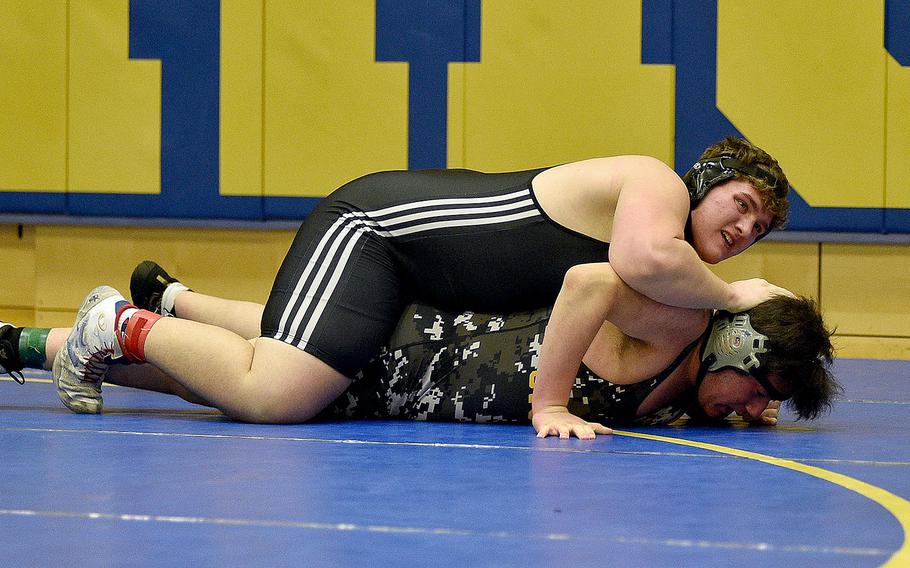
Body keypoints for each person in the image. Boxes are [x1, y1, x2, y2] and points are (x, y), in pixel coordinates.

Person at [47, 137, 792, 434]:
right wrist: (735, 297)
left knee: (298, 354)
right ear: (707, 181)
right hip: (375, 231)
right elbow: (636, 263)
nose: (742, 232)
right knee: (276, 392)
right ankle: (117, 322)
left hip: (412, 278)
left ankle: (164, 305)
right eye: (741, 207)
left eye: (758, 231)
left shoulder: (680, 263)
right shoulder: (656, 189)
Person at [0, 261, 838, 437]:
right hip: (424, 356)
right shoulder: (673, 326)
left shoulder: (702, 383)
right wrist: (549, 402)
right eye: (762, 390)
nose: (757, 410)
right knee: (258, 372)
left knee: (212, 382)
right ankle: (123, 320)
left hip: (419, 386)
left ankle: (31, 346)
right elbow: (589, 282)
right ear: (733, 341)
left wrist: (745, 402)